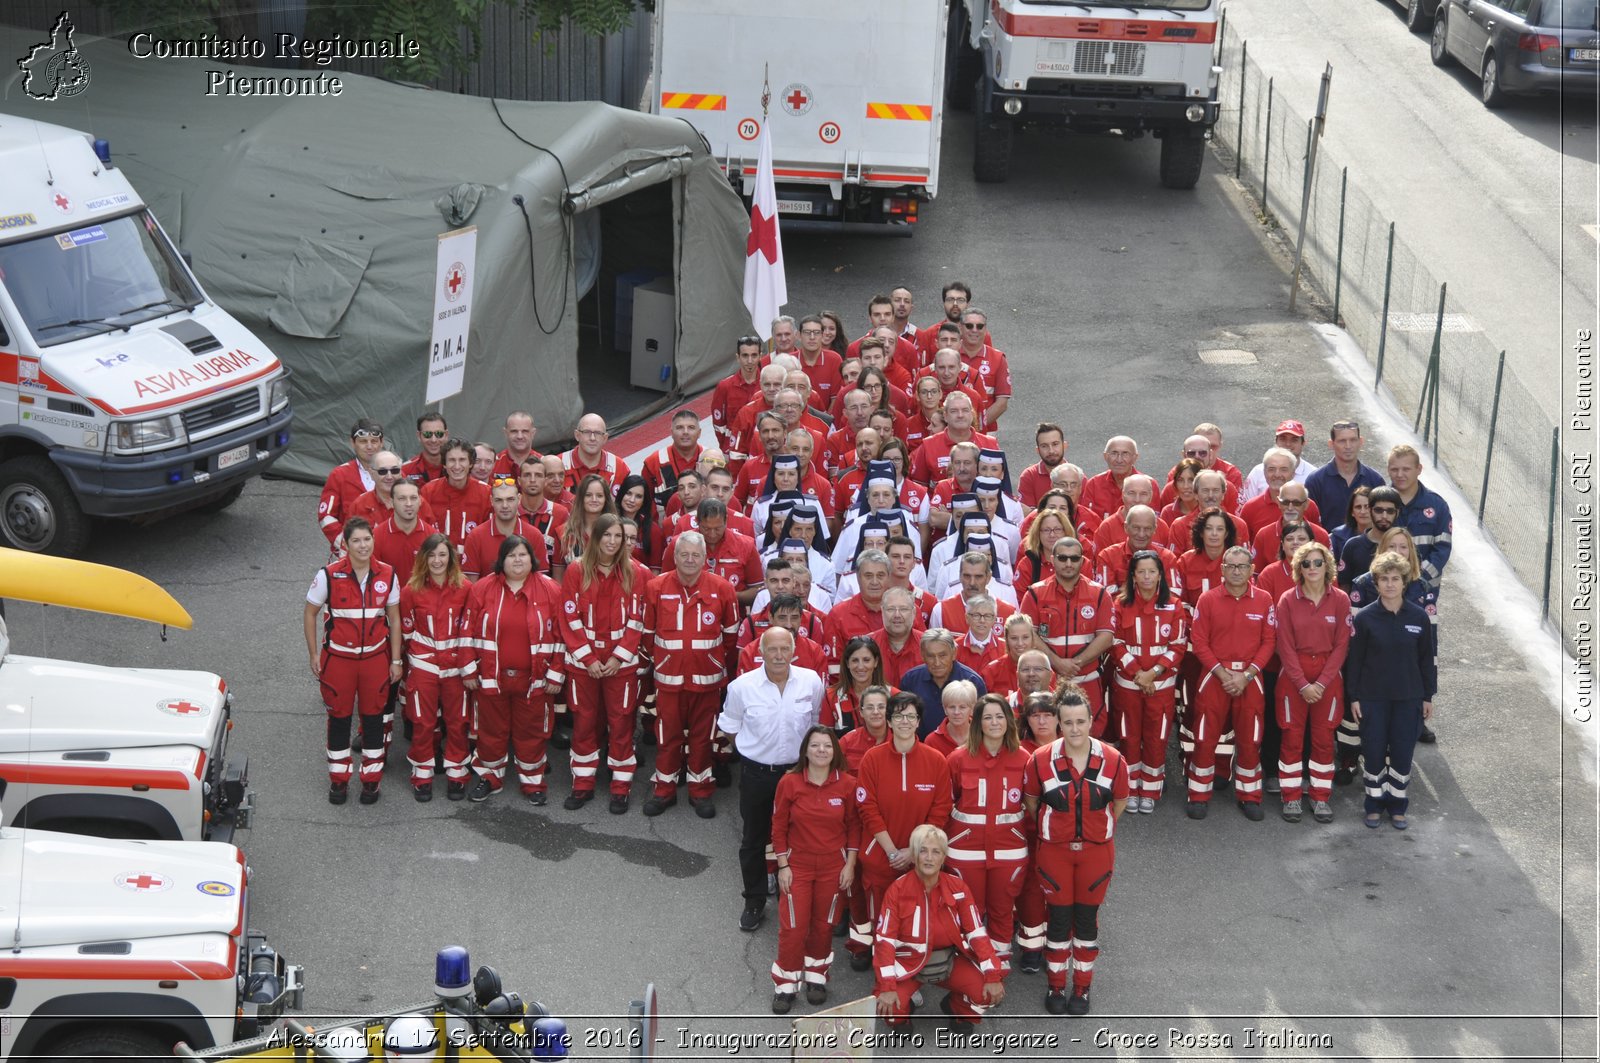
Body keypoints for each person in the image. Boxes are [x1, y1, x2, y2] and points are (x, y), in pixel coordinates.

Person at [1021, 686, 1129, 1016]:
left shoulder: (1113, 760)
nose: (1075, 729)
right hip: (1055, 851)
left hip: (1096, 853)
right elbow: (1031, 803)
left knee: (1086, 923)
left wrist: (1096, 828)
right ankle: (1055, 985)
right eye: (1067, 722)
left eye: (1081, 721)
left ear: (1091, 721)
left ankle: (1081, 988)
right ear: (1058, 722)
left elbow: (1120, 802)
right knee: (1058, 921)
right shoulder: (1039, 760)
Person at [720, 627, 827, 932]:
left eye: (785, 649)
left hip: (798, 774)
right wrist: (754, 749)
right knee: (754, 839)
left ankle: (791, 898)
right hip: (757, 774)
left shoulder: (810, 681)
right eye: (772, 650)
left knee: (799, 840)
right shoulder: (742, 687)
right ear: (761, 653)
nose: (779, 655)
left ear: (794, 651)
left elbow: (817, 723)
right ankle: (754, 901)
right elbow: (730, 726)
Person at [303, 517, 402, 805]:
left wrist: (396, 660)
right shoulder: (327, 575)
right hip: (338, 661)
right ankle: (339, 780)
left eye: (367, 539)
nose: (363, 545)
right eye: (356, 540)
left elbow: (394, 618)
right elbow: (309, 613)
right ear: (345, 544)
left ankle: (371, 781)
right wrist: (313, 653)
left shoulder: (388, 575)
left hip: (376, 660)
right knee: (339, 719)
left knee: (373, 720)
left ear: (374, 540)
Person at [851, 692, 953, 969]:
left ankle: (911, 975)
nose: (905, 721)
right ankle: (883, 971)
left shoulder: (936, 760)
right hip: (880, 857)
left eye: (911, 716)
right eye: (899, 716)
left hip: (921, 860)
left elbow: (941, 810)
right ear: (890, 722)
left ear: (919, 721)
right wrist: (892, 851)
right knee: (881, 920)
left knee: (914, 919)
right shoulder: (872, 759)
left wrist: (914, 851)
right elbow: (867, 809)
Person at [644, 532, 741, 817]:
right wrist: (664, 661)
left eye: (695, 555)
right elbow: (647, 635)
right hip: (669, 679)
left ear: (705, 558)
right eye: (683, 554)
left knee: (703, 736)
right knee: (667, 735)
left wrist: (711, 662)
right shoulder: (656, 587)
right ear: (674, 558)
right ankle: (664, 790)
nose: (689, 560)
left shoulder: (722, 589)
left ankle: (701, 791)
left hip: (707, 679)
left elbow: (731, 638)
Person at [463, 536, 565, 804]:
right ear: (501, 560)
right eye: (511, 555)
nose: (517, 560)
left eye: (523, 554)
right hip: (491, 677)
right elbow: (466, 632)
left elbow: (563, 635)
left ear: (532, 559)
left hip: (535, 679)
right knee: (490, 731)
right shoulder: (482, 589)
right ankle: (490, 778)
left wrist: (556, 673)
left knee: (531, 731)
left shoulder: (551, 590)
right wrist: (469, 670)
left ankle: (533, 783)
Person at [872, 824, 1005, 1029]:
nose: (929, 857)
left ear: (943, 857)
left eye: (936, 852)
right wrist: (887, 987)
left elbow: (976, 932)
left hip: (949, 961)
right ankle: (902, 1015)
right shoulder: (897, 890)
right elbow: (885, 941)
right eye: (923, 850)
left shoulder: (957, 886)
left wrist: (993, 975)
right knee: (887, 1009)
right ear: (914, 855)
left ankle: (957, 1007)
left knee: (987, 994)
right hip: (909, 964)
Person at [558, 514, 646, 815]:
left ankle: (620, 787)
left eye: (618, 536)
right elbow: (569, 616)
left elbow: (638, 619)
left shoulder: (635, 572)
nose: (612, 541)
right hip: (585, 666)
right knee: (584, 723)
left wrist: (617, 656)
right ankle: (582, 783)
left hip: (620, 666)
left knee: (621, 723)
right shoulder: (576, 570)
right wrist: (589, 659)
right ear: (594, 538)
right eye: (606, 535)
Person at [769, 725, 860, 1013]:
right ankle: (785, 985)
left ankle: (816, 977)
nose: (821, 751)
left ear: (835, 752)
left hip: (834, 867)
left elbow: (854, 827)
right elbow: (778, 826)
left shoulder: (847, 785)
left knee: (824, 925)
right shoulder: (790, 783)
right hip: (798, 866)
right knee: (793, 926)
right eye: (815, 745)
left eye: (827, 746)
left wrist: (850, 864)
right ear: (805, 750)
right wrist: (782, 865)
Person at [1186, 546, 1277, 821]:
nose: (1236, 571)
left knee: (1250, 739)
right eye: (1231, 566)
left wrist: (1246, 675)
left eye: (1242, 566)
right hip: (1215, 676)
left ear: (1251, 569)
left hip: (1250, 678)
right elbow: (1199, 642)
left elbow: (1269, 642)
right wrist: (1224, 675)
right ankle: (1198, 794)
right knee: (1205, 737)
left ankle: (1249, 795)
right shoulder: (1208, 599)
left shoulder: (1264, 599)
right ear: (1222, 569)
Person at [1348, 551, 1437, 830]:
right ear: (1375, 584)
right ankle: (1373, 805)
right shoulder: (1364, 618)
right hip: (1373, 698)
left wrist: (1427, 696)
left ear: (1404, 582)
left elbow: (1427, 659)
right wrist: (1354, 697)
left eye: (1395, 579)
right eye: (1384, 579)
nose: (1389, 584)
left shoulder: (1419, 617)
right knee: (1373, 752)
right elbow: (1354, 662)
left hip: (1408, 699)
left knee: (1401, 753)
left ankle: (1397, 806)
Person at [945, 693, 1031, 972]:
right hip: (965, 850)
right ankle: (971, 962)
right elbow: (946, 804)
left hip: (1009, 849)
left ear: (1009, 720)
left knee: (1002, 908)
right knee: (969, 909)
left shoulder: (1025, 758)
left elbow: (1032, 806)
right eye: (987, 717)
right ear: (977, 723)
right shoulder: (958, 759)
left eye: (999, 716)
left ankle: (999, 961)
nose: (994, 722)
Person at [1272, 540, 1351, 824]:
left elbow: (1342, 645)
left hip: (1328, 677)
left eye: (1318, 562)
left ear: (1327, 565)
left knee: (1323, 740)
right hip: (1294, 677)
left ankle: (1320, 798)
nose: (1313, 568)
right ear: (1298, 568)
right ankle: (1291, 797)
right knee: (1291, 738)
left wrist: (1322, 681)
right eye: (1306, 563)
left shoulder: (1340, 599)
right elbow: (1284, 645)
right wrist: (1303, 683)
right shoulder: (1287, 600)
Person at [397, 533, 473, 801]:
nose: (437, 560)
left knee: (457, 723)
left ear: (451, 557)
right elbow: (406, 629)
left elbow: (469, 629)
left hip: (455, 669)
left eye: (442, 554)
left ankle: (456, 775)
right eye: (432, 555)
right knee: (422, 723)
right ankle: (422, 775)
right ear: (423, 558)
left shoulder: (465, 588)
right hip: (424, 667)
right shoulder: (410, 590)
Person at [1111, 551, 1187, 814]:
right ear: (1133, 575)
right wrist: (1137, 673)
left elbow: (1178, 645)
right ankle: (1130, 787)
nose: (1146, 577)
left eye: (1151, 571)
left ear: (1160, 575)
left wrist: (1152, 673)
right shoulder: (1119, 605)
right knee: (1129, 735)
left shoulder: (1174, 605)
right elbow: (1116, 642)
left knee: (1157, 737)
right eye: (1141, 571)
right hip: (1129, 685)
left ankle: (1151, 788)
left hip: (1160, 685)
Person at [1020, 537, 1115, 735]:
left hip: (1088, 679)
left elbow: (1106, 636)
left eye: (1074, 558)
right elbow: (1029, 633)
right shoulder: (1035, 593)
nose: (1069, 563)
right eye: (1063, 558)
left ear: (1083, 560)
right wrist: (1057, 663)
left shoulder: (1099, 594)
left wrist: (1074, 663)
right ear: (1052, 560)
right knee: (1048, 733)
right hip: (1049, 681)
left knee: (1091, 731)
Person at [899, 629, 987, 738]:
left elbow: (982, 723)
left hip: (964, 748)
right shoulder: (910, 680)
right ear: (922, 655)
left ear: (954, 653)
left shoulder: (973, 681)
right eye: (931, 656)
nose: (937, 663)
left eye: (942, 655)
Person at [318, 419, 384, 553]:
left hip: (386, 553)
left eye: (374, 441)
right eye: (363, 441)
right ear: (353, 443)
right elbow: (326, 517)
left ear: (381, 443)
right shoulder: (339, 475)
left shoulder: (395, 473)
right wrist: (345, 543)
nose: (369, 446)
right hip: (348, 554)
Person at [463, 477, 548, 580]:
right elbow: (472, 587)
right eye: (499, 500)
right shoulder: (476, 537)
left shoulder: (534, 536)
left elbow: (540, 582)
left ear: (519, 499)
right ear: (491, 501)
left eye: (510, 499)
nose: (505, 505)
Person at [1304, 419, 1384, 527]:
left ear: (1360, 442)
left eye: (1353, 440)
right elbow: (1309, 523)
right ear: (1331, 444)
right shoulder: (1315, 481)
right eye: (1342, 441)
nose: (1348, 446)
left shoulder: (1375, 480)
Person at [421, 439, 492, 554]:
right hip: (437, 562)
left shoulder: (485, 493)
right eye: (452, 460)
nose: (457, 466)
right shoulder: (428, 491)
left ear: (471, 463)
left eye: (462, 460)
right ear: (444, 464)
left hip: (474, 563)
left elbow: (488, 536)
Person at [372, 479, 439, 580]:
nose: (408, 503)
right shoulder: (376, 536)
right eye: (402, 498)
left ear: (420, 501)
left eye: (413, 498)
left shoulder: (432, 536)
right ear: (391, 501)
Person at [641, 408, 705, 513]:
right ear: (671, 432)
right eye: (680, 427)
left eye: (691, 428)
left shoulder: (712, 458)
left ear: (699, 433)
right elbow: (646, 501)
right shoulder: (653, 462)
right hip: (667, 525)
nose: (685, 432)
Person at [1339, 485, 1400, 590]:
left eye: (1390, 511)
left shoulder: (1405, 547)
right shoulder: (1352, 546)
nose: (1384, 516)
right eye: (1378, 510)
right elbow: (1344, 586)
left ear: (1397, 513)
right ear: (1370, 510)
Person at [1241, 420, 1317, 503]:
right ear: (1276, 442)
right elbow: (1246, 506)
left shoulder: (1314, 476)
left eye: (1294, 440)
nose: (1288, 444)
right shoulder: (1258, 472)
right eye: (1283, 439)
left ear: (1303, 443)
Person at [712, 336, 766, 454]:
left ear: (760, 356)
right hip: (733, 449)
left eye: (754, 355)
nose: (750, 361)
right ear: (738, 357)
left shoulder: (768, 385)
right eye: (745, 356)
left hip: (762, 448)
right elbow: (718, 424)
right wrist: (726, 446)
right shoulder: (724, 386)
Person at [563, 413, 632, 495]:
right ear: (577, 435)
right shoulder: (559, 464)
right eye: (587, 432)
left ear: (605, 438)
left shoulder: (619, 468)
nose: (592, 438)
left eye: (598, 433)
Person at [1080, 436, 1143, 518]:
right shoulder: (1094, 485)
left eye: (1125, 454)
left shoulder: (1148, 485)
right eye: (1114, 453)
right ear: (1106, 457)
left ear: (1135, 457)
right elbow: (1086, 520)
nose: (1119, 460)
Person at [840, 685, 892, 771]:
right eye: (869, 707)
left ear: (889, 711)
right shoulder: (847, 742)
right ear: (861, 712)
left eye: (881, 707)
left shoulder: (900, 741)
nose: (875, 712)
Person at [924, 680, 979, 755]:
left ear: (972, 709)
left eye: (962, 707)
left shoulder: (983, 735)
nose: (956, 712)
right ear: (945, 709)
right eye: (951, 707)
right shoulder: (932, 741)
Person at [1329, 485, 1374, 573]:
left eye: (1367, 507)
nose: (1363, 511)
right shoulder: (1336, 538)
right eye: (1358, 507)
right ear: (1352, 512)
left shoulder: (1387, 536)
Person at [491, 411, 542, 478]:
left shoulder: (543, 463)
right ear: (505, 433)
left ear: (533, 433)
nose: (519, 436)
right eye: (514, 431)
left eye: (524, 431)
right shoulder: (493, 464)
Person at [403, 412, 449, 485]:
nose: (433, 440)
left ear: (446, 435)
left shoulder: (456, 468)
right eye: (427, 434)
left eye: (439, 434)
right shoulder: (405, 470)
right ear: (419, 436)